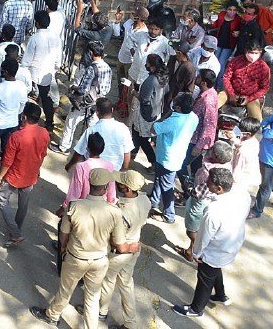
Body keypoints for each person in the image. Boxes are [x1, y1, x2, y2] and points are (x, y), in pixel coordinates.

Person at [30, 168, 139, 329]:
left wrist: (63, 249)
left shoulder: (74, 206)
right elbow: (119, 243)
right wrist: (132, 246)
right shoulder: (114, 212)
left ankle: (52, 315)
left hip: (76, 257)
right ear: (105, 188)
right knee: (92, 298)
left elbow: (64, 234)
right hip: (100, 260)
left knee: (65, 290)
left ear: (90, 184)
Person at [171, 168, 249, 318]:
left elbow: (203, 237)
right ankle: (220, 295)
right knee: (215, 270)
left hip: (215, 250)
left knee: (205, 279)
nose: (206, 184)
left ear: (219, 189)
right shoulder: (242, 194)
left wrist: (196, 253)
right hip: (232, 242)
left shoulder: (213, 210)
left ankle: (196, 309)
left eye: (209, 184)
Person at [98, 170, 152, 329]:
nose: (117, 184)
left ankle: (101, 311)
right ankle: (130, 323)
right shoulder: (144, 200)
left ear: (128, 189)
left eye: (121, 183)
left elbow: (117, 242)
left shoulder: (122, 212)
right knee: (126, 284)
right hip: (134, 248)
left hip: (121, 252)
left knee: (108, 280)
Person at [0, 103, 49, 248]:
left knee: (1, 200)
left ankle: (16, 234)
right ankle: (15, 230)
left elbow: (7, 161)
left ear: (24, 117)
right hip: (31, 175)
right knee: (23, 205)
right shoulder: (44, 133)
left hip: (14, 176)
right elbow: (43, 154)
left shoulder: (16, 136)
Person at [178, 140, 234, 262]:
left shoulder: (207, 172)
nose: (210, 151)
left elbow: (199, 193)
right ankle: (190, 251)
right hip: (212, 200)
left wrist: (188, 188)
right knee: (200, 226)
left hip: (199, 202)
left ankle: (198, 249)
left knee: (191, 229)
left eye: (212, 151)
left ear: (216, 157)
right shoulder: (227, 166)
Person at [149, 94, 199, 224]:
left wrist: (166, 114)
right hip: (174, 155)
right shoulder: (194, 117)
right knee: (159, 179)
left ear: (178, 107)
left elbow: (153, 129)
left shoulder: (173, 120)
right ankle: (153, 201)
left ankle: (169, 214)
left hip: (167, 158)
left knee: (166, 187)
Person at [58, 41, 112, 153]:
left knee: (71, 122)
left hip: (85, 103)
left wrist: (73, 87)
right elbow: (107, 89)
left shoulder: (91, 69)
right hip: (98, 103)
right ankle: (89, 151)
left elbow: (83, 89)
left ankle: (64, 147)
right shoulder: (108, 68)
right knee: (92, 128)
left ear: (90, 53)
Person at [69, 98, 133, 172]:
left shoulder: (91, 130)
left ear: (97, 112)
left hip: (93, 170)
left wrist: (69, 165)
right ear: (112, 110)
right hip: (114, 170)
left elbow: (79, 152)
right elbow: (127, 151)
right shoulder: (123, 128)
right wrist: (124, 169)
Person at [126, 54, 168, 168]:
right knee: (136, 133)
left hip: (145, 114)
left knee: (143, 139)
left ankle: (153, 162)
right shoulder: (162, 77)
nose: (146, 65)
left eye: (148, 63)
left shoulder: (151, 80)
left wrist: (134, 92)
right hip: (155, 112)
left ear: (153, 66)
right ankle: (132, 153)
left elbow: (144, 99)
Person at [23, 10, 61, 130]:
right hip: (48, 73)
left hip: (33, 73)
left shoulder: (34, 38)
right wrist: (55, 68)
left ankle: (25, 120)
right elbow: (58, 58)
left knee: (26, 95)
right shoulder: (55, 37)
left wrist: (23, 70)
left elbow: (27, 59)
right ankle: (49, 122)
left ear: (37, 23)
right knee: (46, 98)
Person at [0, 58, 29, 160]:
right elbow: (22, 104)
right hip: (12, 123)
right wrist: (15, 113)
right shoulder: (22, 86)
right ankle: (3, 168)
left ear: (6, 72)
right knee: (7, 148)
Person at [60, 133, 116, 215]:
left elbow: (75, 192)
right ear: (103, 149)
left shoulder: (81, 167)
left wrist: (64, 207)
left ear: (87, 149)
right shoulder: (110, 166)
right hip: (101, 208)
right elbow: (111, 191)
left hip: (83, 208)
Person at [219, 39, 271, 121]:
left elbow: (265, 88)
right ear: (246, 51)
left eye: (256, 53)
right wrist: (231, 94)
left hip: (250, 97)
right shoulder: (235, 61)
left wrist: (249, 98)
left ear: (260, 52)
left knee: (257, 120)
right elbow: (226, 77)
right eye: (251, 52)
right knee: (213, 105)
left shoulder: (264, 68)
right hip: (231, 92)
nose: (253, 55)